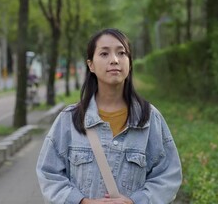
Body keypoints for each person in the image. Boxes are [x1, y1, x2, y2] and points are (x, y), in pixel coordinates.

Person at [36, 28, 182, 203]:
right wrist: (82, 202)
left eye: (121, 53)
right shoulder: (69, 119)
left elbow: (168, 175)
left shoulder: (150, 119)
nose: (114, 60)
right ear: (91, 65)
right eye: (104, 54)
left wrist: (135, 201)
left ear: (129, 62)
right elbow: (48, 174)